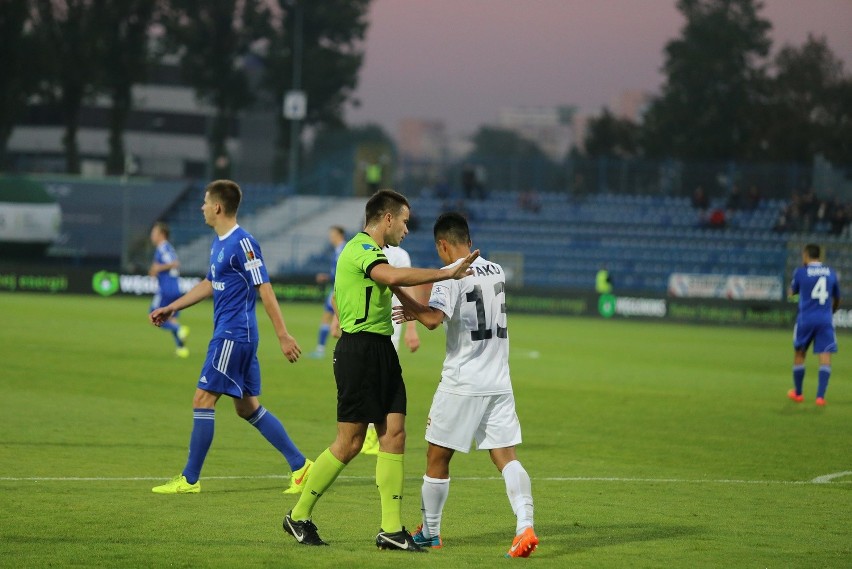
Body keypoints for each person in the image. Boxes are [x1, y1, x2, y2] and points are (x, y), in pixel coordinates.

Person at [282, 189, 479, 551]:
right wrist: (444, 273)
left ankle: (390, 529)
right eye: (404, 221)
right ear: (387, 218)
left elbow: (390, 283)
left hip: (382, 350)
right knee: (350, 442)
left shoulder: (377, 252)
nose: (406, 228)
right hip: (358, 352)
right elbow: (389, 276)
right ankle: (298, 515)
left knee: (394, 434)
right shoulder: (359, 249)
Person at [149, 179, 313, 495]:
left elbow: (264, 287)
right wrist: (172, 306)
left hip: (233, 335)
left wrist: (283, 334)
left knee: (202, 399)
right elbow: (209, 283)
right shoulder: (219, 242)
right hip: (234, 334)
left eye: (205, 202)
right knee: (247, 407)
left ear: (218, 207)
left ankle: (189, 479)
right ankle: (301, 466)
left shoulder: (243, 242)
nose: (201, 208)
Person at [391, 212, 538, 558]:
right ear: (468, 240)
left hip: (462, 381)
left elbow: (432, 319)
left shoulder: (449, 275)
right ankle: (525, 526)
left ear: (443, 245)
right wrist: (421, 310)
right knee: (506, 457)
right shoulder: (497, 270)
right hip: (499, 381)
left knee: (437, 456)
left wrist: (399, 292)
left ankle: (430, 532)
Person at [358, 244, 421, 457]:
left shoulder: (399, 254)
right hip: (362, 327)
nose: (405, 230)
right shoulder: (360, 249)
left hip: (390, 326)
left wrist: (411, 328)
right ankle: (368, 432)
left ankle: (372, 434)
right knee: (365, 380)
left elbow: (408, 288)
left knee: (379, 380)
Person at [788, 243, 840, 406]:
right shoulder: (831, 273)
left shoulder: (801, 272)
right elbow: (837, 298)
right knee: (825, 356)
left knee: (799, 354)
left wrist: (799, 297)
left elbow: (792, 295)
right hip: (825, 319)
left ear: (806, 255)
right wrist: (830, 311)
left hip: (806, 319)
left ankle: (798, 393)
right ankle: (820, 397)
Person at [148, 222, 190, 358]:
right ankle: (181, 349)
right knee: (171, 319)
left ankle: (179, 329)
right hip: (175, 288)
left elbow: (174, 263)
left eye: (154, 233)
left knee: (153, 313)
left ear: (161, 235)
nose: (152, 236)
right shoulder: (167, 248)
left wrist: (158, 268)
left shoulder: (163, 248)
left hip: (166, 289)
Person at [308, 226, 347, 359]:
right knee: (330, 317)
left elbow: (343, 272)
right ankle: (320, 349)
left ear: (340, 235)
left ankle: (322, 349)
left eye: (333, 234)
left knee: (340, 320)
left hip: (340, 289)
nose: (331, 237)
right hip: (336, 287)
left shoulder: (343, 249)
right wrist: (328, 276)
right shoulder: (337, 250)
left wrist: (329, 277)